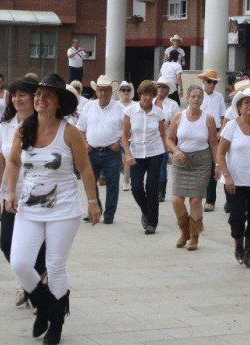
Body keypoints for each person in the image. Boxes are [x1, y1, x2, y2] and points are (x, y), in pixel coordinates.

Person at [5, 73, 100, 345]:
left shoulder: (69, 132)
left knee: (55, 266)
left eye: (47, 95)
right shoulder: (24, 128)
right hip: (29, 207)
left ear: (58, 102)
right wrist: (10, 192)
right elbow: (13, 162)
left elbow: (85, 168)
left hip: (63, 209)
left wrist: (93, 202)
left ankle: (56, 322)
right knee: (20, 262)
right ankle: (45, 306)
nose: (40, 99)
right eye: (37, 95)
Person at [0, 79, 46, 305]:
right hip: (12, 194)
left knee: (38, 245)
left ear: (34, 97)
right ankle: (30, 281)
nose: (17, 99)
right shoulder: (5, 127)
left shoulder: (45, 126)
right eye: (13, 95)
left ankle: (36, 290)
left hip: (40, 195)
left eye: (22, 94)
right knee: (6, 243)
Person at [216, 87, 250, 270]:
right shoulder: (231, 126)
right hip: (234, 182)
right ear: (239, 106)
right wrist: (227, 177)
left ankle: (249, 254)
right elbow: (221, 153)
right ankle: (238, 244)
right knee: (236, 217)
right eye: (246, 102)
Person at [166, 85, 218, 250]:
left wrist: (217, 165)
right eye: (193, 96)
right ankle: (185, 231)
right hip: (181, 160)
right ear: (187, 98)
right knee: (175, 199)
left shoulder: (208, 119)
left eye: (199, 97)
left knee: (196, 200)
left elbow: (214, 144)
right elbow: (169, 139)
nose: (196, 99)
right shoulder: (178, 117)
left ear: (203, 100)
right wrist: (175, 151)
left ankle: (194, 237)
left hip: (201, 162)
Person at [76, 75, 123, 224]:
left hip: (112, 152)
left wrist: (120, 143)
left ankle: (109, 215)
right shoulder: (88, 106)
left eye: (106, 90)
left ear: (111, 91)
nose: (103, 93)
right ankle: (96, 208)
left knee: (113, 184)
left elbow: (128, 130)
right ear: (96, 92)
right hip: (92, 151)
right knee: (88, 182)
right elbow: (81, 129)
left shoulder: (120, 108)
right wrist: (84, 144)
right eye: (100, 90)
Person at [122, 80, 167, 234]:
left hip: (155, 152)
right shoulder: (130, 111)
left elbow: (163, 135)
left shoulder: (159, 113)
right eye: (145, 94)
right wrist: (127, 153)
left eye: (150, 95)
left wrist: (169, 152)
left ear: (154, 96)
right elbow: (124, 135)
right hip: (136, 153)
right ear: (140, 94)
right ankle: (146, 210)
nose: (147, 98)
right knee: (136, 188)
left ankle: (152, 222)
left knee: (152, 187)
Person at [199, 70, 225, 213]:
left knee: (212, 167)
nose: (212, 85)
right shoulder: (198, 96)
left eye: (214, 82)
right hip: (200, 133)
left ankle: (210, 200)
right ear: (203, 82)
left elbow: (223, 116)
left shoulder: (219, 97)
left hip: (214, 133)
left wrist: (221, 132)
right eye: (209, 81)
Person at [154, 76, 180, 202]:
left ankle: (161, 192)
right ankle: (152, 189)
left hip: (165, 138)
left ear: (168, 90)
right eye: (159, 86)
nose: (160, 89)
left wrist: (170, 124)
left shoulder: (173, 104)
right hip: (151, 138)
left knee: (162, 166)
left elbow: (178, 123)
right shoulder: (151, 101)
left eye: (164, 87)